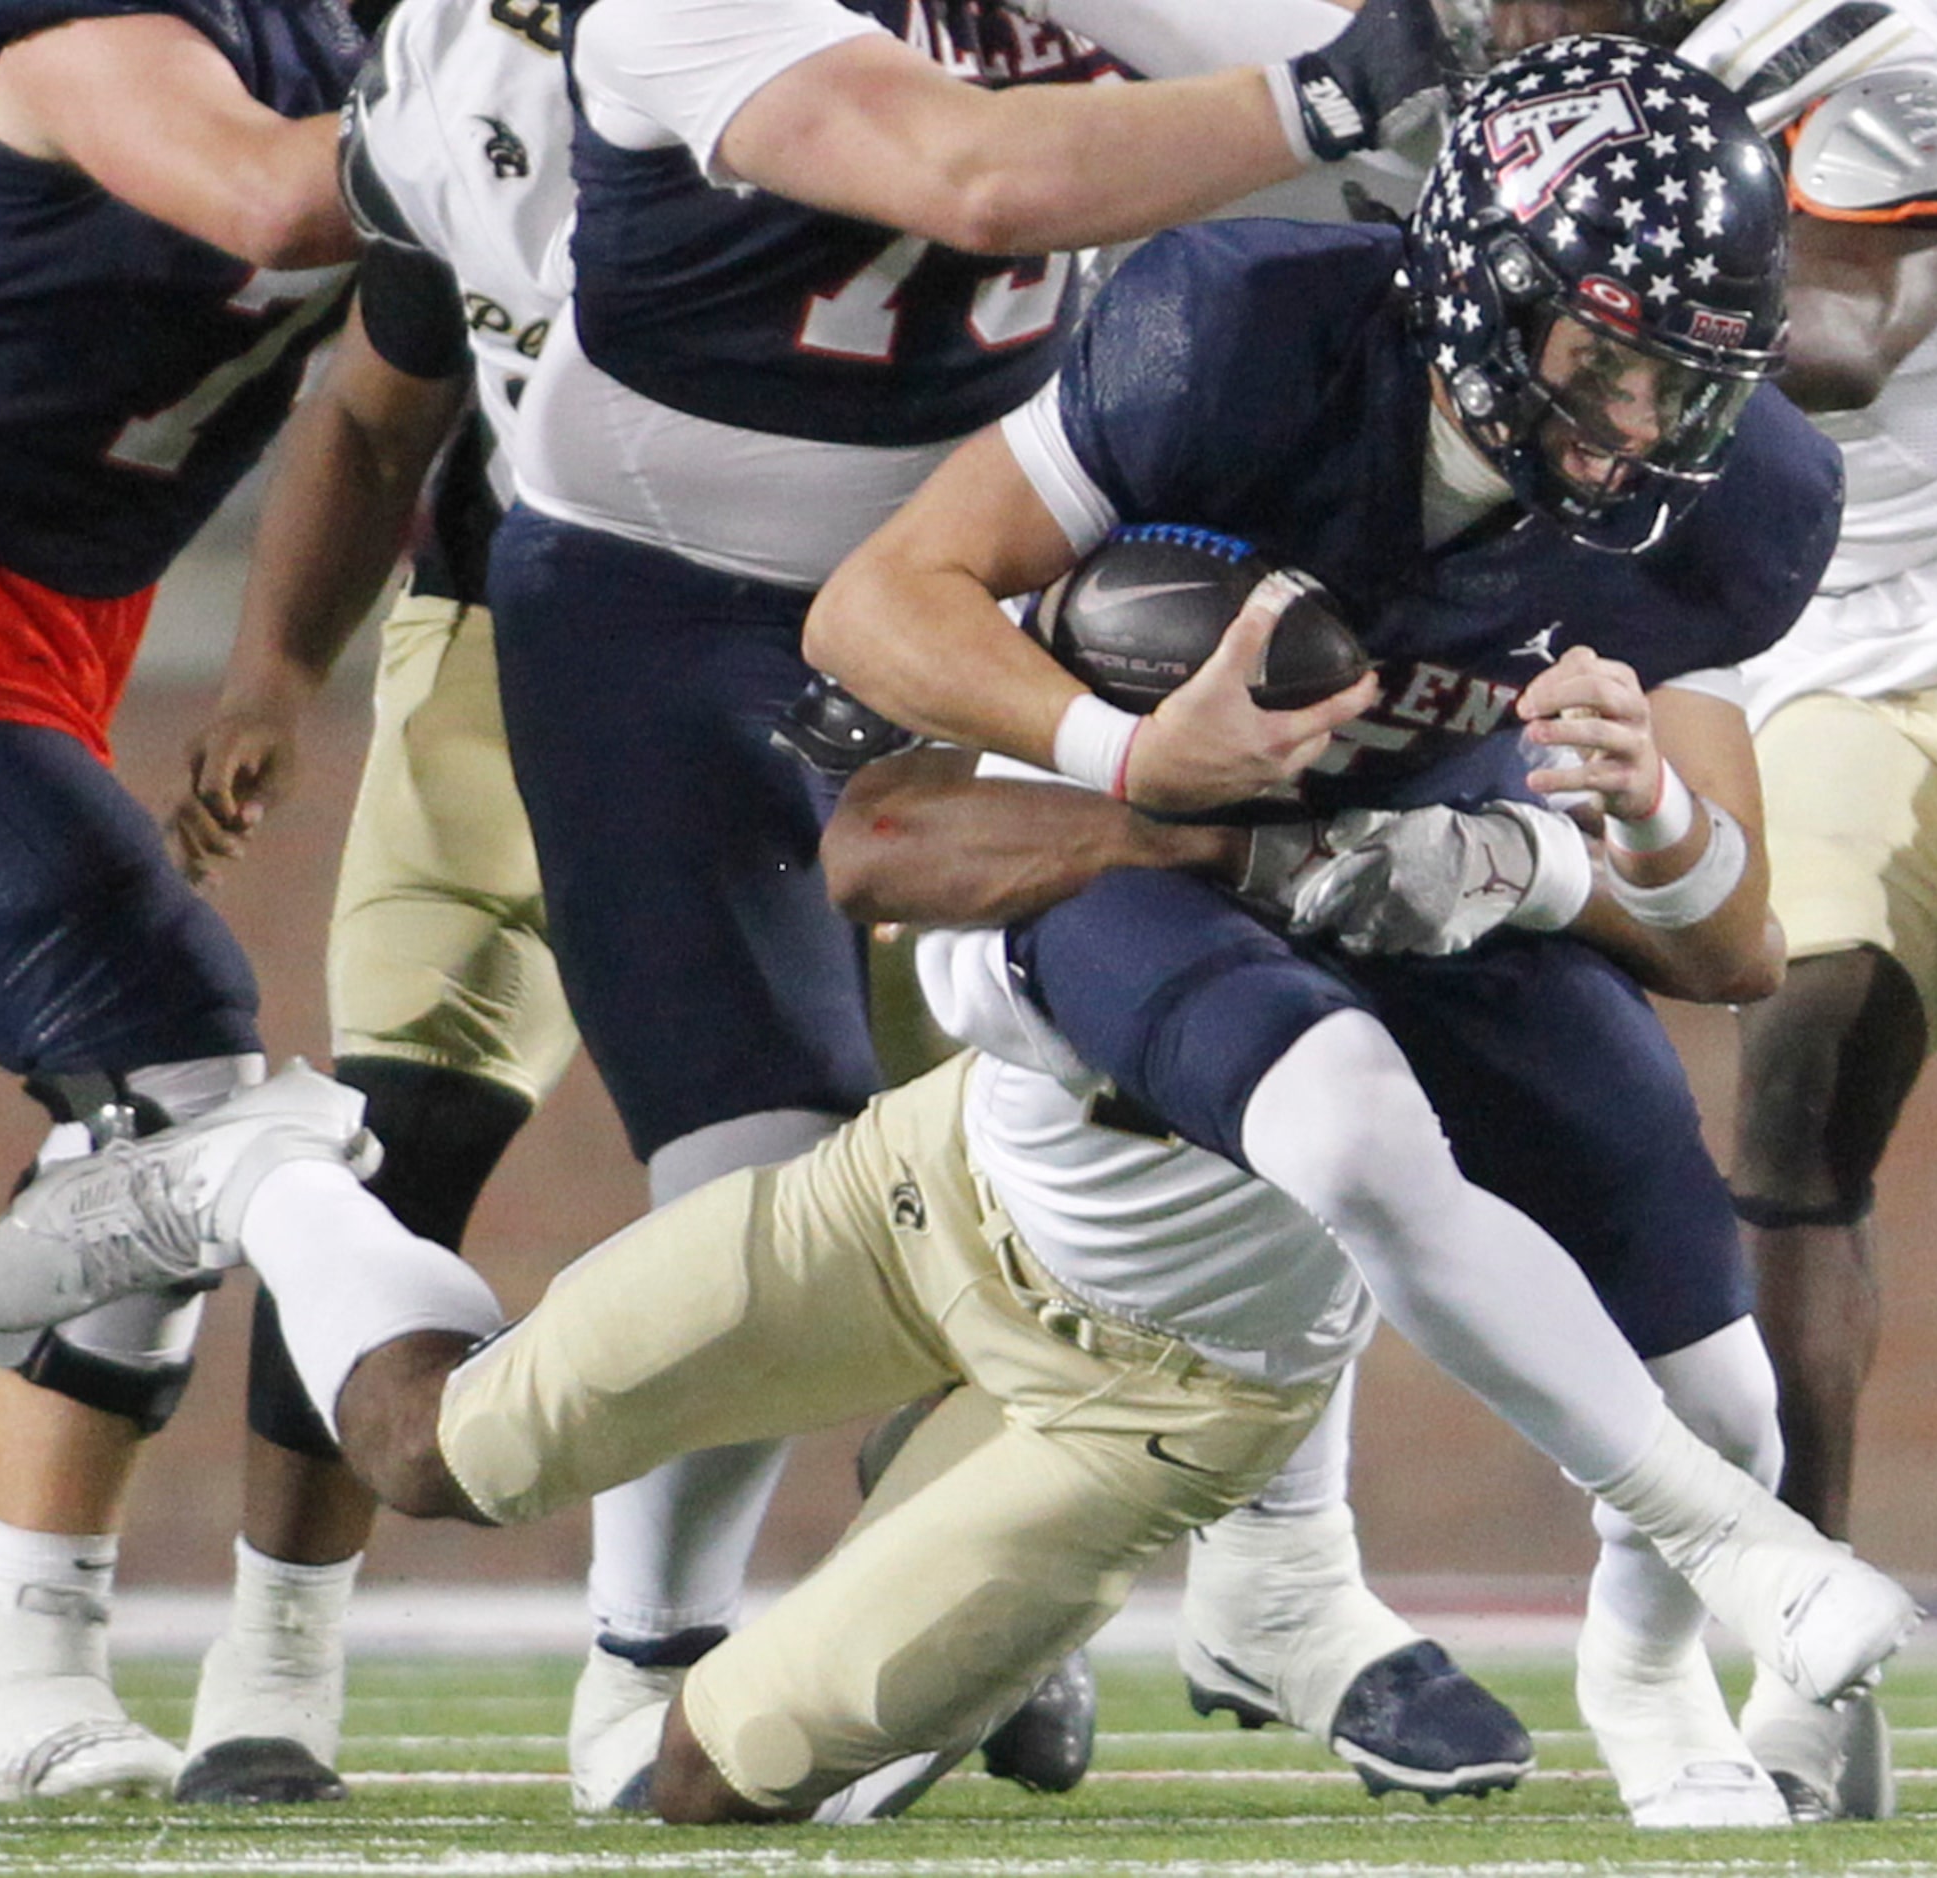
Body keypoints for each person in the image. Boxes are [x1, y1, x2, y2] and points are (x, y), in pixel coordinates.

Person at [156, 0, 1480, 1810]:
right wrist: (1351, 84)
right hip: (673, 609)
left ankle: (1261, 1576)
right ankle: (647, 1645)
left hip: (989, 590)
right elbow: (984, 180)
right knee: (759, 1186)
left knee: (1197, 1078)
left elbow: (1405, 104)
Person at [806, 30, 1919, 1828]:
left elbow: (1729, 952)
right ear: (1482, 298)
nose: (1645, 431)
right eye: (1605, 364)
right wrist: (1126, 747)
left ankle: (1641, 1677)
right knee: (1337, 1117)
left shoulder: (1743, 506)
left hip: (1412, 873)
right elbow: (870, 610)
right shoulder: (1238, 337)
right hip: (1137, 854)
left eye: (1687, 386)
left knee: (1724, 1391)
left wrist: (1610, 828)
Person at [0, 984, 1914, 1831]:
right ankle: (266, 1177)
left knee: (680, 1793)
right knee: (430, 1452)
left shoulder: (1486, 805)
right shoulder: (1152, 674)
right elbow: (915, 832)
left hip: (1153, 1399)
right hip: (916, 1195)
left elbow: (1716, 932)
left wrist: (1602, 826)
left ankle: (1032, 1632)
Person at [1477, 0, 1937, 1822]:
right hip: (1845, 660)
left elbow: (1861, 337)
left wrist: (1575, 294)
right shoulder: (1558, 99)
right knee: (1793, 1083)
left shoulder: (1886, 47)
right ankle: (1819, 1646)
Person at [0, 0, 382, 1803]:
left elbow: (402, 385)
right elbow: (258, 197)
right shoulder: (93, 21)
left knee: (161, 1083)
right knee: (166, 1067)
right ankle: (25, 1663)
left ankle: (24, 1658)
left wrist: (270, 675)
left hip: (16, 637)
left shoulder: (378, 42)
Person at [158, 0, 584, 1805]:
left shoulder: (939, 96)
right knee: (389, 1131)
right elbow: (376, 407)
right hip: (519, 639)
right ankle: (276, 1643)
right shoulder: (515, 99)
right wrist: (268, 670)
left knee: (928, 1145)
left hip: (844, 682)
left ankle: (944, 1609)